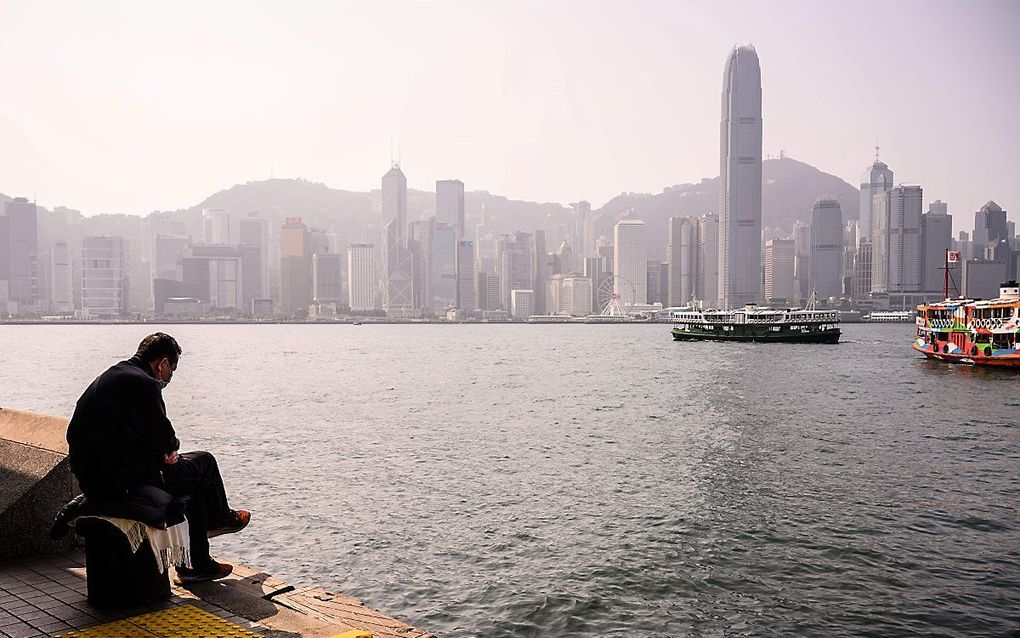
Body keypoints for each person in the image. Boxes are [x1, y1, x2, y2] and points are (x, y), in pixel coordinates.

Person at [66, 332, 250, 583]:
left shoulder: (113, 376)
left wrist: (161, 452)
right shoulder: (144, 383)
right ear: (162, 364)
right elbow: (164, 438)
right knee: (204, 462)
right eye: (171, 370)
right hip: (120, 481)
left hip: (94, 475)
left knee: (191, 479)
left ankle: (196, 564)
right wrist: (166, 451)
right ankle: (218, 522)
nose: (169, 377)